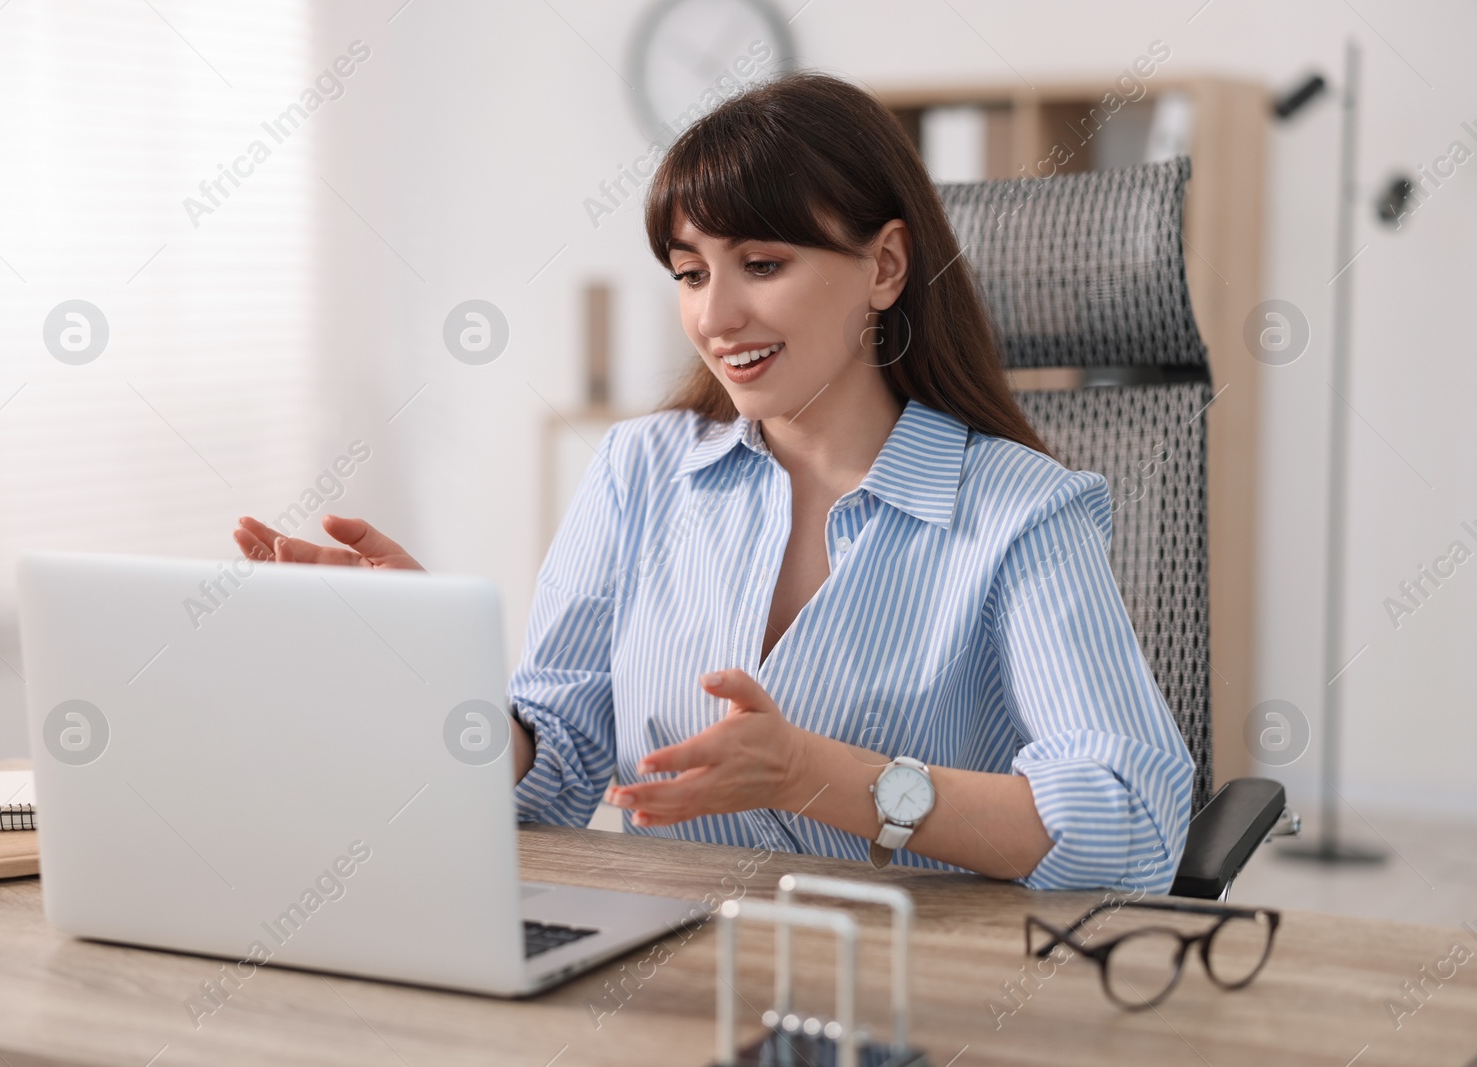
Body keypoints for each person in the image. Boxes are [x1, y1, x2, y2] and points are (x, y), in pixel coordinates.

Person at [233, 71, 1193, 895]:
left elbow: (1132, 823)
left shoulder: (1022, 512)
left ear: (886, 266)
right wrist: (435, 682)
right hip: (667, 971)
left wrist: (815, 774)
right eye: (691, 273)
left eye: (763, 264)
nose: (717, 315)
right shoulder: (639, 470)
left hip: (916, 982)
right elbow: (561, 763)